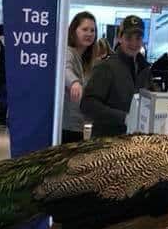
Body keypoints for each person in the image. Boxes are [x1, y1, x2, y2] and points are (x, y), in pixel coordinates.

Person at [80, 14, 153, 137]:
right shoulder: (106, 67)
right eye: (129, 37)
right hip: (107, 143)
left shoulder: (144, 69)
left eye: (138, 38)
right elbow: (87, 105)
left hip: (135, 143)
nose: (134, 43)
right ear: (120, 38)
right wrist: (124, 117)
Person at [63, 11, 98, 144]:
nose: (89, 34)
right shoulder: (67, 52)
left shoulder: (86, 60)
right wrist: (74, 83)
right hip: (66, 125)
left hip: (77, 124)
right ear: (74, 31)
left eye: (92, 30)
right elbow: (65, 69)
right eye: (84, 29)